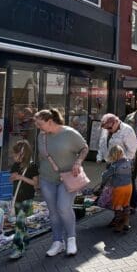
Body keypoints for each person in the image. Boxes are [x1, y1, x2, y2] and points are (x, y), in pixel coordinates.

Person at [34, 108, 88, 257]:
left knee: (63, 207)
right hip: (47, 178)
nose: (38, 127)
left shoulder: (69, 133)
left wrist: (78, 162)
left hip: (68, 178)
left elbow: (84, 148)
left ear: (50, 121)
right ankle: (57, 242)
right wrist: (37, 177)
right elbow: (41, 157)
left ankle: (71, 239)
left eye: (40, 124)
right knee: (53, 212)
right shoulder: (41, 135)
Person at [8, 140, 39, 260]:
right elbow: (11, 179)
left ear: (22, 154)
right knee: (20, 221)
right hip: (17, 197)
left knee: (19, 222)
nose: (13, 156)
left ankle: (18, 248)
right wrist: (13, 177)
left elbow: (35, 183)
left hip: (27, 198)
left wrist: (20, 177)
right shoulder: (15, 165)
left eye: (15, 154)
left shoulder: (32, 166)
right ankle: (25, 239)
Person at [101, 145, 132, 232]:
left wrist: (103, 179)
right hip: (129, 187)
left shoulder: (114, 166)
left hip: (119, 188)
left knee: (117, 207)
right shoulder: (128, 162)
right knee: (126, 204)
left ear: (113, 155)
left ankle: (118, 225)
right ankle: (126, 222)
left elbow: (105, 176)